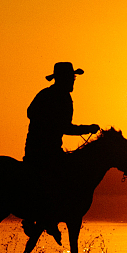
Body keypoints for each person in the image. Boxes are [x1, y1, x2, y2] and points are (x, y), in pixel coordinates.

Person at [23, 62, 100, 243]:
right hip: (45, 151)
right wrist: (88, 128)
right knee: (64, 177)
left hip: (36, 148)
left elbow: (30, 113)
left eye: (73, 78)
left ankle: (42, 217)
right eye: (71, 78)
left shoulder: (45, 94)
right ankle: (46, 216)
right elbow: (65, 127)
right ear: (63, 79)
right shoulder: (62, 98)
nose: (73, 82)